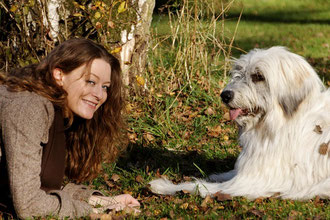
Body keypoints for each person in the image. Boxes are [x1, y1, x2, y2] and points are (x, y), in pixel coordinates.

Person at [0, 38, 140, 218]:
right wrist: (92, 212)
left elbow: (47, 186)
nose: (99, 95)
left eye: (105, 87)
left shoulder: (61, 111)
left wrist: (106, 201)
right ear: (59, 75)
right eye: (90, 81)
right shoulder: (29, 109)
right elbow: (29, 205)